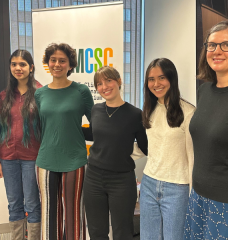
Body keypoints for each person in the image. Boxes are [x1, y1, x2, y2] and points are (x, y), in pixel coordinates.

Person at [35, 43, 93, 240]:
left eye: (62, 60)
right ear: (47, 63)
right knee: (49, 216)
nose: (57, 64)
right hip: (46, 161)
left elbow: (97, 123)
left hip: (75, 160)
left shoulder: (81, 91)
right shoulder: (40, 94)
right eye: (53, 60)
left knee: (74, 214)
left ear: (70, 65)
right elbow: (39, 128)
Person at [82, 66, 148, 240]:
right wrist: (70, 126)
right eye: (100, 84)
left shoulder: (135, 114)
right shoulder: (96, 110)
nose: (105, 86)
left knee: (123, 233)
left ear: (119, 81)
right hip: (93, 178)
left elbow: (146, 146)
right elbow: (94, 133)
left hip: (121, 181)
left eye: (109, 80)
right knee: (97, 232)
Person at [140, 58, 195, 240]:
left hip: (177, 188)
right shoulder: (149, 110)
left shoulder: (188, 112)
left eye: (161, 78)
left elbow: (192, 157)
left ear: (172, 79)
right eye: (151, 79)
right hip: (148, 183)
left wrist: (192, 194)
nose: (156, 84)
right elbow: (151, 146)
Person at [184, 20, 228, 239]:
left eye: (225, 45)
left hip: (224, 202)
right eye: (211, 45)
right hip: (198, 196)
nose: (217, 51)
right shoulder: (205, 91)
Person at [0, 49, 42, 240]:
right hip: (8, 158)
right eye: (14, 64)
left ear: (31, 67)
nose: (18, 68)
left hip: (32, 157)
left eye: (23, 64)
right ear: (10, 67)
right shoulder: (3, 96)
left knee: (32, 204)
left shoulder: (41, 94)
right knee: (14, 204)